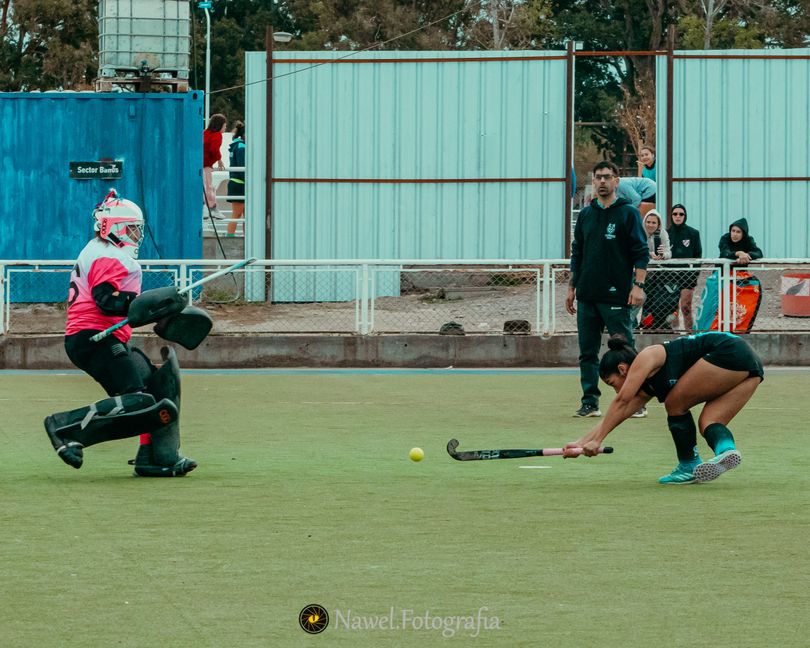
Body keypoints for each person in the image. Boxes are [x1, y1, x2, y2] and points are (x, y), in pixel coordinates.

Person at [43, 190, 198, 477]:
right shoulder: (109, 255)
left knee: (156, 391)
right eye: (131, 228)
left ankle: (153, 458)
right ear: (111, 227)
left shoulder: (98, 250)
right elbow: (106, 300)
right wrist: (148, 305)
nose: (137, 235)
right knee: (138, 401)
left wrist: (155, 310)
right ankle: (63, 428)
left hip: (102, 337)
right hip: (95, 338)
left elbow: (120, 306)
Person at [563, 332, 764, 484]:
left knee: (674, 403)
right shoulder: (646, 388)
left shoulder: (647, 357)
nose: (616, 390)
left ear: (622, 369)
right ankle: (726, 452)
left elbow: (622, 401)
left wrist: (598, 441)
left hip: (728, 351)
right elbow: (617, 415)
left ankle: (688, 465)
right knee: (710, 422)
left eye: (612, 383)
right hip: (751, 366)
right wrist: (581, 443)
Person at [567, 161, 649, 419]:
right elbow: (577, 252)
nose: (602, 181)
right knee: (587, 353)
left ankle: (635, 400)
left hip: (616, 295)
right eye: (598, 177)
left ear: (616, 182)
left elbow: (641, 252)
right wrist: (571, 287)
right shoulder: (586, 215)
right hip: (587, 295)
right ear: (593, 181)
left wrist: (638, 286)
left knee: (625, 349)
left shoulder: (628, 213)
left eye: (607, 177)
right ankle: (590, 402)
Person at [638, 209, 676, 330]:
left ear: (659, 224)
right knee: (641, 298)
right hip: (640, 271)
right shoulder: (639, 232)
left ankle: (654, 324)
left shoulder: (663, 233)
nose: (650, 225)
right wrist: (648, 254)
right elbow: (634, 250)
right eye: (648, 222)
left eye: (654, 222)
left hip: (656, 273)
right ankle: (637, 324)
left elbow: (669, 253)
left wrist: (663, 254)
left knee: (656, 300)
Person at [667, 203, 702, 330]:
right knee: (671, 309)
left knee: (685, 307)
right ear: (671, 216)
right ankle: (674, 333)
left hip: (687, 276)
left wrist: (694, 275)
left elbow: (698, 256)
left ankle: (689, 333)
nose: (678, 216)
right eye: (675, 214)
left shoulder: (693, 233)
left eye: (681, 214)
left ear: (685, 216)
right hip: (670, 276)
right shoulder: (665, 234)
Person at [203, 113, 228, 219]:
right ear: (220, 125)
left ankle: (206, 208)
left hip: (200, 164)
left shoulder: (204, 132)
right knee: (209, 187)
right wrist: (219, 160)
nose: (225, 127)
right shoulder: (217, 135)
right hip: (206, 165)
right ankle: (212, 208)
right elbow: (214, 149)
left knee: (205, 187)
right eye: (225, 125)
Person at [226, 120, 246, 236]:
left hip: (236, 183)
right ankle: (229, 237)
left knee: (245, 215)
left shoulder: (235, 145)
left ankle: (246, 237)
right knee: (237, 214)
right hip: (239, 184)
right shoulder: (241, 147)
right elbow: (242, 166)